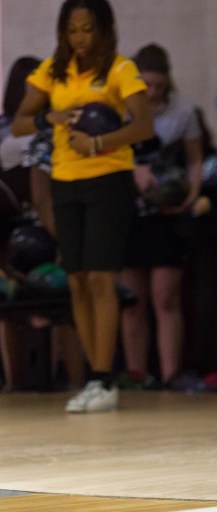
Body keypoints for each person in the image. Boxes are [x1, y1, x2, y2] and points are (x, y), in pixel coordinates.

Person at [11, 0, 154, 412]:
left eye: (87, 29)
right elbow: (20, 120)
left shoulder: (120, 70)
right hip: (65, 181)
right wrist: (47, 119)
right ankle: (94, 376)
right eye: (72, 30)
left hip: (109, 180)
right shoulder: (52, 71)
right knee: (75, 279)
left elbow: (142, 126)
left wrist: (97, 142)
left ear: (103, 29)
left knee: (100, 279)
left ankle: (104, 378)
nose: (79, 39)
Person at [119, 43, 203, 389]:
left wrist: (190, 197)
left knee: (165, 298)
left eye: (160, 85)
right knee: (131, 300)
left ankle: (170, 375)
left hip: (165, 215)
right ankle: (138, 373)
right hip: (128, 212)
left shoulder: (182, 112)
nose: (153, 92)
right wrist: (133, 170)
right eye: (147, 85)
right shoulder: (120, 109)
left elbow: (195, 160)